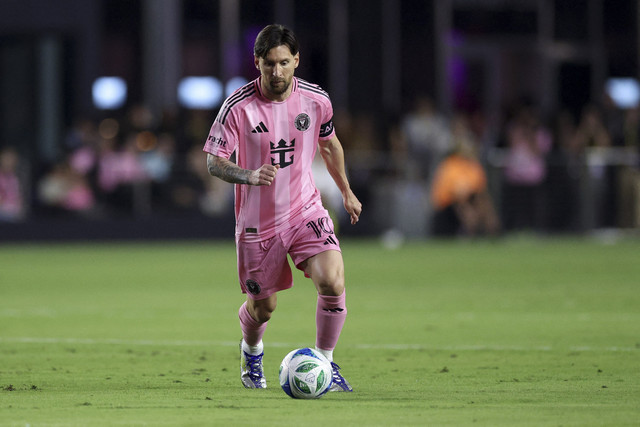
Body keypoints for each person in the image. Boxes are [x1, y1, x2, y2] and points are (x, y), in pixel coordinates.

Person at [203, 24, 362, 392]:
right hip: (259, 224)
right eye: (269, 64)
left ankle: (325, 362)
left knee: (333, 281)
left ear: (297, 60)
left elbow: (330, 145)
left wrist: (346, 191)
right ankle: (252, 350)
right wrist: (248, 174)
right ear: (256, 61)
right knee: (263, 309)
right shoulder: (237, 106)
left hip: (305, 210)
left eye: (284, 63)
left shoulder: (316, 100)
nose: (277, 72)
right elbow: (213, 161)